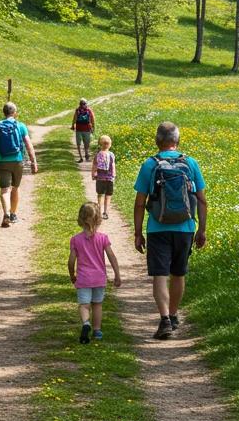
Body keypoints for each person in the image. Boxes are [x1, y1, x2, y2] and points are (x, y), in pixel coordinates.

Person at [133, 121, 207, 340]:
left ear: (158, 141)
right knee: (178, 273)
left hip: (158, 228)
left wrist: (138, 233)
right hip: (185, 228)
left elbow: (139, 203)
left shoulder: (150, 164)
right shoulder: (191, 163)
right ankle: (173, 316)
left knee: (159, 275)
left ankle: (164, 319)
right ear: (178, 140)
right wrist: (201, 230)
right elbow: (201, 200)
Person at [68, 202, 121, 344]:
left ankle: (86, 323)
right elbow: (112, 256)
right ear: (98, 219)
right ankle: (97, 330)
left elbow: (71, 260)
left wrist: (72, 274)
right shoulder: (103, 238)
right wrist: (117, 274)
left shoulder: (76, 239)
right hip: (99, 278)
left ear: (80, 219)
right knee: (97, 304)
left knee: (84, 305)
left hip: (84, 279)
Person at [0, 102, 37, 228]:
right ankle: (13, 214)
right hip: (17, 160)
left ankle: (5, 214)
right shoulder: (20, 126)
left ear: (4, 113)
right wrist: (33, 161)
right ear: (15, 113)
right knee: (15, 187)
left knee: (4, 189)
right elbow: (28, 143)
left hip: (2, 160)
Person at [90, 135, 116, 220]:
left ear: (100, 144)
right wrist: (113, 175)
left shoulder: (97, 154)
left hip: (100, 178)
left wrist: (93, 174)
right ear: (110, 145)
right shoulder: (111, 154)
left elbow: (94, 165)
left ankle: (99, 212)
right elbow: (113, 166)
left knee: (100, 195)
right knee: (108, 196)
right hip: (109, 179)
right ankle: (105, 212)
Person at [72, 99, 95, 163]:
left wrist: (72, 125)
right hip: (87, 129)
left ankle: (81, 158)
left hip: (79, 129)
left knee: (78, 144)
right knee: (87, 143)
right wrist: (93, 127)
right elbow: (93, 119)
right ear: (86, 103)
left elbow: (74, 118)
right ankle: (86, 154)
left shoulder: (77, 110)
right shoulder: (89, 110)